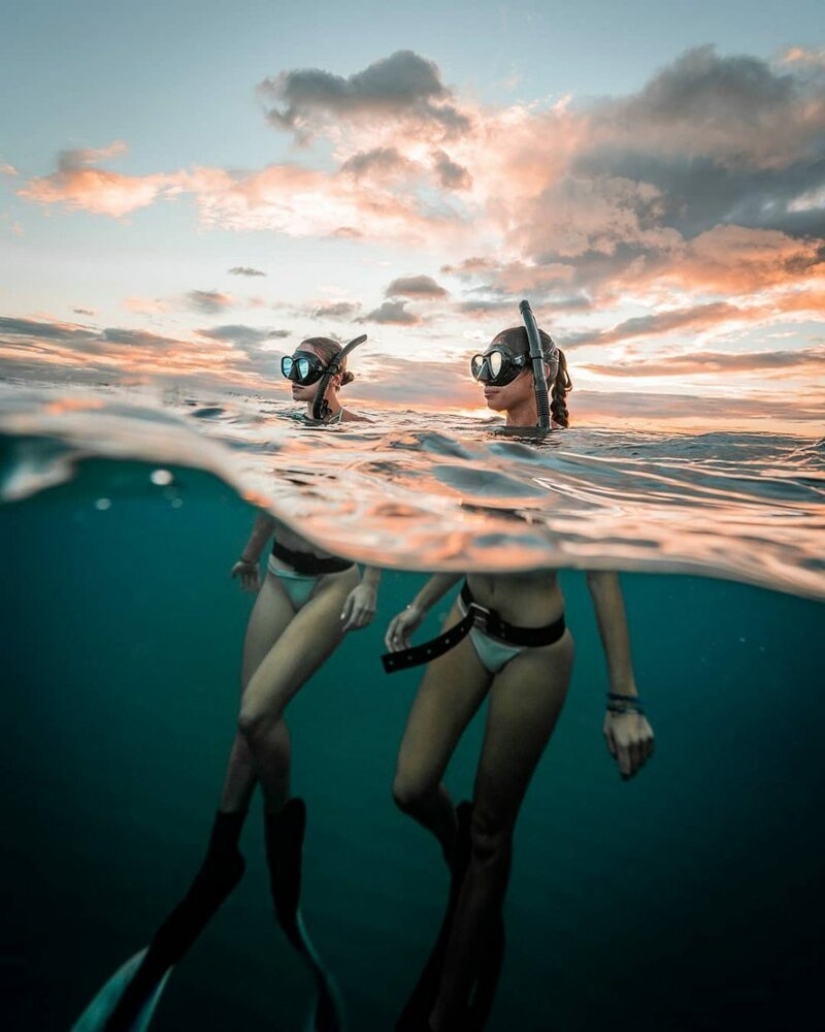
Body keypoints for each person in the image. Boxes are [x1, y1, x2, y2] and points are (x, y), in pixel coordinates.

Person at [75, 338, 379, 1032]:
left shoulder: (360, 436)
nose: (291, 380)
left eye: (304, 368)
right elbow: (271, 498)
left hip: (333, 583)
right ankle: (222, 856)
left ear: (332, 375)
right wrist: (248, 554)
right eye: (287, 366)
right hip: (279, 572)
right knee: (244, 731)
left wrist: (371, 580)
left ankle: (278, 834)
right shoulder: (284, 430)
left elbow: (377, 518)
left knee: (253, 715)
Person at [383, 322, 654, 1031]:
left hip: (535, 652)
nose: (483, 371)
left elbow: (600, 573)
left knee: (492, 839)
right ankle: (460, 855)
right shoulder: (482, 446)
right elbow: (470, 541)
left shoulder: (570, 461)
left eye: (498, 361)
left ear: (538, 370)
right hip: (465, 625)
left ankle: (447, 1011)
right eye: (477, 360)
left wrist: (622, 699)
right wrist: (417, 604)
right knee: (410, 787)